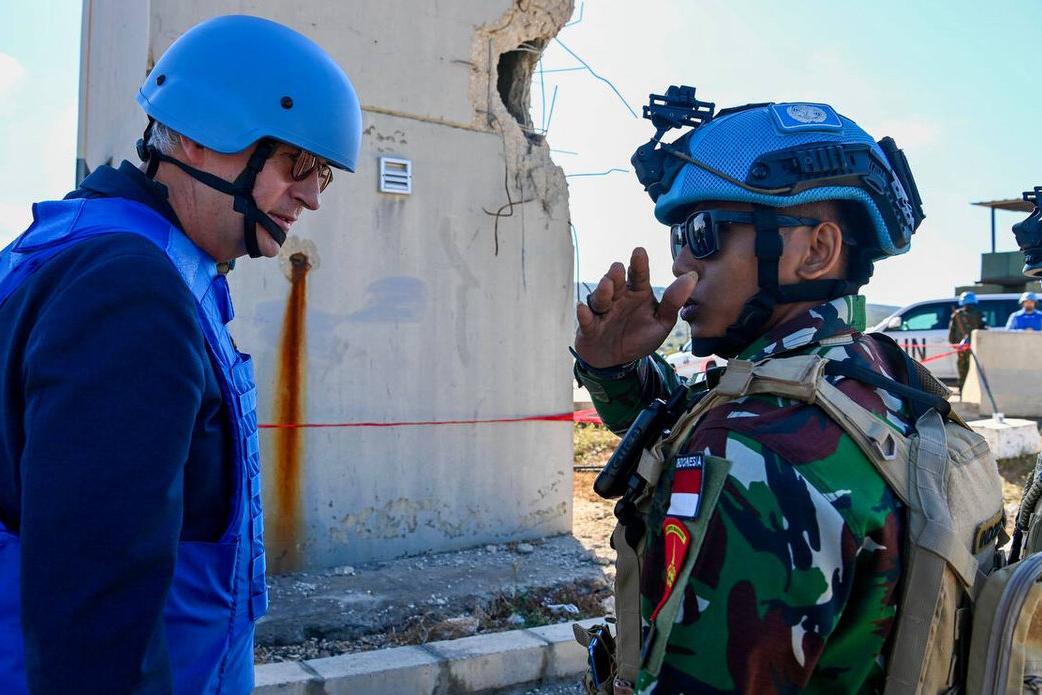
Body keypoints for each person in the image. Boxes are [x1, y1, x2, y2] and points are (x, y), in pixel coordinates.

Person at [0, 15, 361, 694]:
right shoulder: (127, 295)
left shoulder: (96, 252)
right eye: (297, 164)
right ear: (199, 136)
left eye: (322, 175)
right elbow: (95, 626)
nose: (311, 195)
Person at [574, 90, 928, 693]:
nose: (683, 262)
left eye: (705, 232)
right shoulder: (874, 372)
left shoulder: (753, 448)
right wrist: (615, 370)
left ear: (816, 251)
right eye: (677, 238)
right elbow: (687, 412)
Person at [948, 290, 987, 390]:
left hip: (967, 347)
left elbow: (951, 334)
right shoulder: (977, 314)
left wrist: (954, 344)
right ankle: (965, 390)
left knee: (964, 369)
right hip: (968, 347)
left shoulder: (960, 314)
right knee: (967, 369)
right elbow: (984, 330)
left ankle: (964, 390)